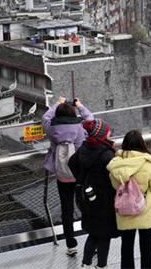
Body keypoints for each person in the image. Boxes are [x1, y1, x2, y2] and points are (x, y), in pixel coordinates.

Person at [42, 96, 93, 256]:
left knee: (67, 208)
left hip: (62, 174)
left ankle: (71, 245)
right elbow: (91, 119)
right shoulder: (81, 126)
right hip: (80, 173)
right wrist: (80, 105)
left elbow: (45, 117)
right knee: (87, 205)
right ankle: (93, 241)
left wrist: (58, 103)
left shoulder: (51, 128)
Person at [107, 130, 151, 269]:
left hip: (124, 211)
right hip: (145, 211)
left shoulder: (116, 164)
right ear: (142, 144)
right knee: (147, 248)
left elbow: (115, 186)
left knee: (126, 248)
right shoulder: (147, 163)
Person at [68, 118, 118, 269]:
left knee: (93, 233)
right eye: (108, 130)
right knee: (104, 235)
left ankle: (86, 263)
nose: (110, 132)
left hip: (88, 198)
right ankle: (101, 265)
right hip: (105, 201)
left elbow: (72, 163)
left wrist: (82, 180)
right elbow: (114, 178)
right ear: (102, 135)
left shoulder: (85, 148)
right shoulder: (107, 154)